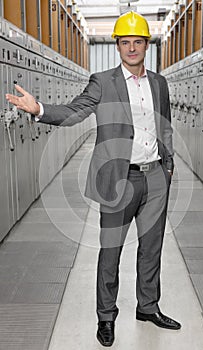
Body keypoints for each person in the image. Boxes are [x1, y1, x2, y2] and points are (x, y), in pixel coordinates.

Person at [6, 11, 181, 347]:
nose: (132, 48)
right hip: (118, 179)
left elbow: (165, 124)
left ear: (147, 44)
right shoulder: (102, 81)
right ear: (118, 46)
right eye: (125, 42)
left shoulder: (159, 82)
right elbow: (75, 111)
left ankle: (148, 307)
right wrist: (39, 108)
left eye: (138, 41)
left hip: (156, 177)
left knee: (151, 249)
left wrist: (168, 166)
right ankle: (106, 316)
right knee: (111, 251)